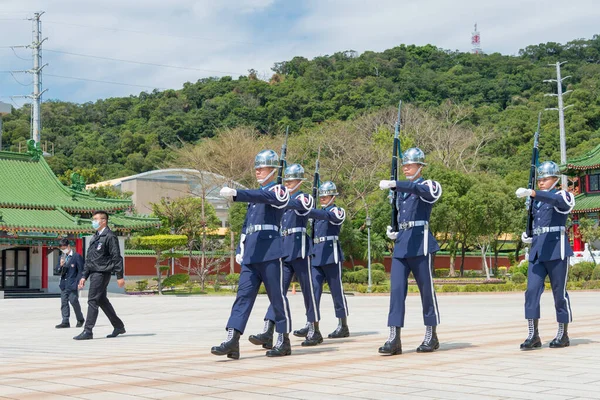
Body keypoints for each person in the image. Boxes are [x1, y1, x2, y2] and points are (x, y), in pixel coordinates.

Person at [211, 150, 292, 359]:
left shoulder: (279, 191)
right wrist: (240, 250)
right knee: (243, 297)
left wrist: (238, 194)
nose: (257, 171)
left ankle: (283, 339)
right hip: (252, 254)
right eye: (256, 167)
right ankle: (233, 339)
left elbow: (265, 196)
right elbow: (246, 227)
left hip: (271, 252)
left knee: (277, 297)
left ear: (273, 171)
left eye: (262, 167)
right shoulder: (255, 197)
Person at [248, 164, 321, 349]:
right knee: (277, 291)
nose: (288, 184)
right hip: (283, 248)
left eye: (292, 181)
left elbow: (300, 206)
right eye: (286, 181)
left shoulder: (304, 197)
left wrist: (276, 198)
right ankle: (269, 329)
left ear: (299, 182)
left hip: (300, 247)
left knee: (308, 291)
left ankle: (314, 328)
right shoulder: (280, 195)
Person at [378, 147, 442, 356]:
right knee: (396, 291)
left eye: (410, 165)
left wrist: (397, 184)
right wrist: (394, 230)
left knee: (426, 291)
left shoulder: (428, 185)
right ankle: (394, 337)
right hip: (402, 245)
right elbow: (399, 216)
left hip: (421, 243)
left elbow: (424, 192)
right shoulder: (400, 193)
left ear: (420, 167)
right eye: (404, 165)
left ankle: (431, 334)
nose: (406, 168)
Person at [516, 161, 575, 350]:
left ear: (555, 179)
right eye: (539, 180)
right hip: (538, 251)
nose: (541, 182)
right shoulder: (536, 200)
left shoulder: (563, 195)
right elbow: (536, 222)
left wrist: (533, 193)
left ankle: (562, 333)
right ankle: (533, 335)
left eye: (545, 179)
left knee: (559, 293)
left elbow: (558, 203)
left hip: (556, 250)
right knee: (531, 291)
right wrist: (529, 234)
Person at [303, 180, 350, 341]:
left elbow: (327, 216)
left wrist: (310, 211)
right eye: (321, 196)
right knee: (313, 292)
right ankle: (311, 323)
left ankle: (343, 324)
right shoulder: (316, 215)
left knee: (336, 291)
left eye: (326, 195)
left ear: (333, 197)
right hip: (316, 256)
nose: (323, 198)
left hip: (331, 255)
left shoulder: (337, 211)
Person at [73, 210, 126, 340]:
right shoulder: (96, 236)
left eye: (96, 219)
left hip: (102, 273)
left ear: (103, 221)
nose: (94, 222)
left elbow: (116, 257)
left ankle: (88, 331)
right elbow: (90, 258)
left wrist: (119, 276)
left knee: (92, 300)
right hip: (94, 272)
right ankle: (118, 326)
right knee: (101, 300)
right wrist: (84, 276)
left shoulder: (109, 236)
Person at [54, 239, 85, 329]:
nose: (63, 250)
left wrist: (80, 281)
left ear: (68, 246)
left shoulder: (76, 256)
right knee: (64, 303)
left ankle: (80, 318)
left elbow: (81, 270)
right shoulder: (61, 257)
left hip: (73, 283)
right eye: (61, 249)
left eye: (64, 248)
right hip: (64, 284)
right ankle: (65, 321)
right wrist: (61, 265)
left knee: (73, 301)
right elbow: (57, 270)